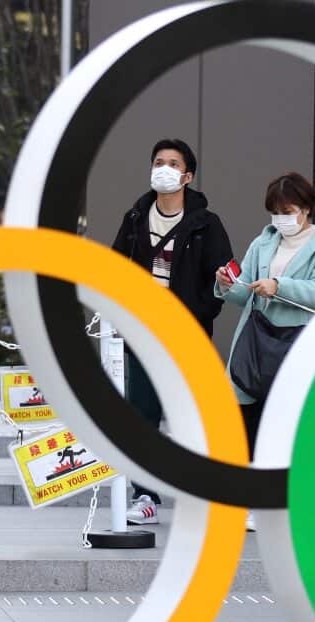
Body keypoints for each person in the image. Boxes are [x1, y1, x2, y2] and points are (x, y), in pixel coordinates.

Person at [216, 172, 315, 531]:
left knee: (287, 425)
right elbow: (245, 292)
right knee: (247, 420)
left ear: (305, 208)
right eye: (274, 211)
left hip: (297, 345)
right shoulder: (263, 242)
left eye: (287, 210)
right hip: (256, 343)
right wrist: (227, 284)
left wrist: (279, 286)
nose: (280, 218)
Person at [111, 138, 233, 524]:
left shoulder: (206, 224)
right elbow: (114, 267)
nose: (164, 168)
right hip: (143, 333)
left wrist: (201, 311)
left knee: (193, 418)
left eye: (173, 163)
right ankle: (144, 497)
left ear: (188, 175)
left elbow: (223, 276)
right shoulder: (134, 219)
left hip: (187, 335)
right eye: (158, 162)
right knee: (142, 418)